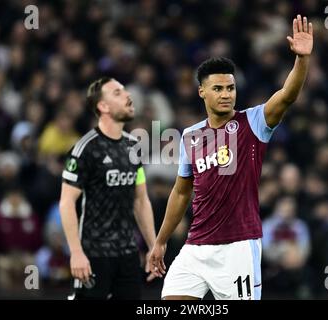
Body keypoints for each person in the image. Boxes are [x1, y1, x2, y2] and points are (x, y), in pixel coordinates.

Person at [148, 15, 313, 300]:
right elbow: (180, 191)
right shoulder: (190, 136)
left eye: (230, 88)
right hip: (196, 247)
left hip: (238, 248)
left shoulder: (254, 123)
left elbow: (287, 95)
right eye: (218, 88)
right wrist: (160, 241)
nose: (226, 94)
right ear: (202, 92)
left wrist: (301, 60)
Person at [60, 77, 157, 300]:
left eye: (125, 91)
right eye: (117, 93)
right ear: (102, 106)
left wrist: (153, 246)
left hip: (128, 255)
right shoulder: (85, 149)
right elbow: (66, 202)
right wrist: (76, 253)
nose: (128, 95)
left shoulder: (133, 146)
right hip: (94, 255)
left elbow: (140, 200)